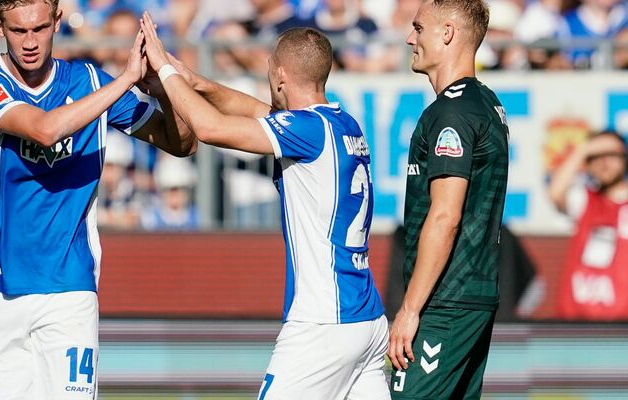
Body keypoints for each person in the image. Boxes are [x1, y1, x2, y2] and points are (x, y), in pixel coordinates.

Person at [140, 14, 388, 399]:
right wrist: (193, 80)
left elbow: (211, 129)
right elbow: (256, 112)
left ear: (281, 77)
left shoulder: (306, 130)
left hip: (323, 321)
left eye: (270, 66)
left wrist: (162, 70)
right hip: (367, 320)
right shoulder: (342, 123)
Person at [0, 0, 195, 398]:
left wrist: (164, 89)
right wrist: (124, 79)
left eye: (39, 28)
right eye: (19, 31)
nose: (30, 41)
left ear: (57, 21)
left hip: (69, 290)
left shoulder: (89, 82)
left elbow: (181, 143)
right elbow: (45, 130)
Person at [387, 1, 509, 399]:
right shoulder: (486, 103)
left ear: (448, 32)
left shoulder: (451, 114)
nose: (410, 38)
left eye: (419, 28)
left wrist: (410, 309)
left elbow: (445, 217)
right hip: (473, 297)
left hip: (445, 302)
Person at [549, 130, 628, 320]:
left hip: (620, 328)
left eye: (612, 155)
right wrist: (583, 150)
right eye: (596, 156)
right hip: (574, 324)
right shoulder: (585, 200)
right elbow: (555, 193)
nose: (604, 162)